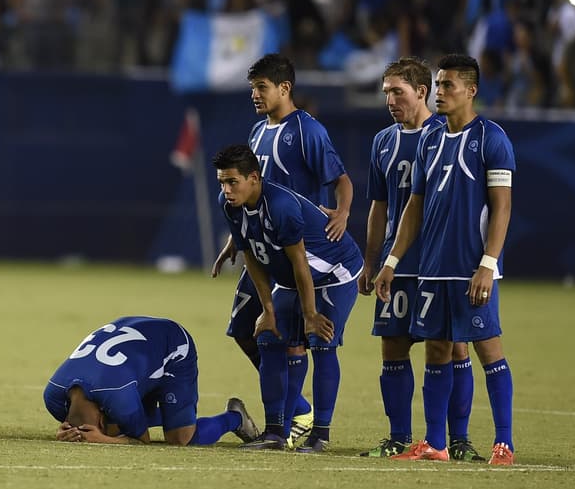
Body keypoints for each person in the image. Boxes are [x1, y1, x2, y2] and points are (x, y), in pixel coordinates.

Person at [374, 54, 516, 466]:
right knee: (437, 349)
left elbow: (502, 207)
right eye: (438, 85)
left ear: (471, 90)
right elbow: (413, 206)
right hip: (432, 269)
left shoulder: (491, 138)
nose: (440, 92)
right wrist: (392, 260)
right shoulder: (430, 141)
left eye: (448, 85)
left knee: (488, 349)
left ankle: (503, 444)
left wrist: (488, 263)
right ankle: (434, 443)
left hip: (471, 267)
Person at [211, 54, 353, 447]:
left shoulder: (307, 131)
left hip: (299, 246)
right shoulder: (258, 133)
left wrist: (341, 213)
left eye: (261, 88)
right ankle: (298, 410)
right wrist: (234, 240)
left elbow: (341, 179)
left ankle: (295, 424)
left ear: (284, 88)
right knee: (245, 329)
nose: (254, 95)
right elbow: (246, 192)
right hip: (265, 244)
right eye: (252, 88)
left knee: (291, 338)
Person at [358, 59, 484, 460]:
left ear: (422, 92)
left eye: (398, 91)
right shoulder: (382, 142)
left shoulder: (445, 132)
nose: (390, 100)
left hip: (439, 263)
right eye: (386, 93)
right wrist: (372, 260)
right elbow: (379, 206)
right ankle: (398, 437)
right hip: (397, 265)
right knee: (392, 346)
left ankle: (457, 440)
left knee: (453, 348)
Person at [46, 315, 261, 446]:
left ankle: (235, 418)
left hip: (172, 346)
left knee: (180, 438)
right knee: (120, 422)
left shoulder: (117, 396)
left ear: (101, 418)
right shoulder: (53, 396)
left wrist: (104, 439)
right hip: (134, 351)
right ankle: (171, 414)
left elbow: (142, 441)